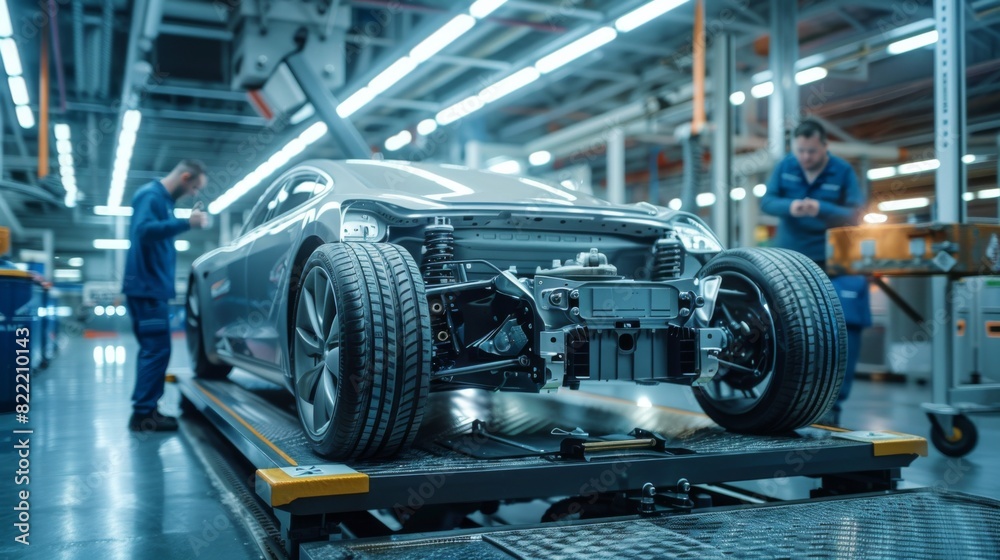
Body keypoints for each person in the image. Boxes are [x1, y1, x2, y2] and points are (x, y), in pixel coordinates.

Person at [760, 119, 869, 425]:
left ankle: (834, 403)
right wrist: (791, 206)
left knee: (847, 323)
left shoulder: (843, 171)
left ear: (824, 146)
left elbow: (857, 213)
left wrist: (821, 208)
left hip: (837, 261)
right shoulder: (785, 167)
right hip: (793, 264)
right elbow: (766, 201)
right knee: (788, 329)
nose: (805, 157)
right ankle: (787, 400)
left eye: (811, 151)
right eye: (800, 151)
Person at [122, 159, 208, 431]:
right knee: (156, 349)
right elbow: (143, 231)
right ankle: (144, 414)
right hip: (147, 289)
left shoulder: (162, 202)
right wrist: (186, 222)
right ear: (185, 177)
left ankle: (147, 410)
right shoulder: (151, 195)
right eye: (194, 187)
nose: (194, 193)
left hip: (151, 288)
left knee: (156, 348)